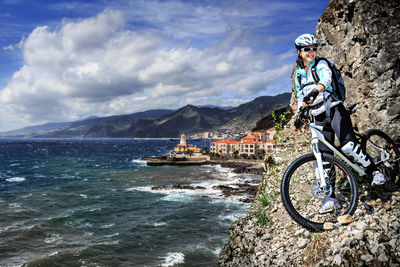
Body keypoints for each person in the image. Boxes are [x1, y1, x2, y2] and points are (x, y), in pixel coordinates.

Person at [293, 33, 385, 213]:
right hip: (317, 118)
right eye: (307, 49)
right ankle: (330, 198)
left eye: (314, 49)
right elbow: (299, 97)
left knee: (349, 147)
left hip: (334, 110)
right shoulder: (299, 75)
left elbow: (326, 79)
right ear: (299, 52)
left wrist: (316, 91)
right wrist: (299, 115)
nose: (311, 52)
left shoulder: (321, 64)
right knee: (324, 159)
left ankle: (375, 171)